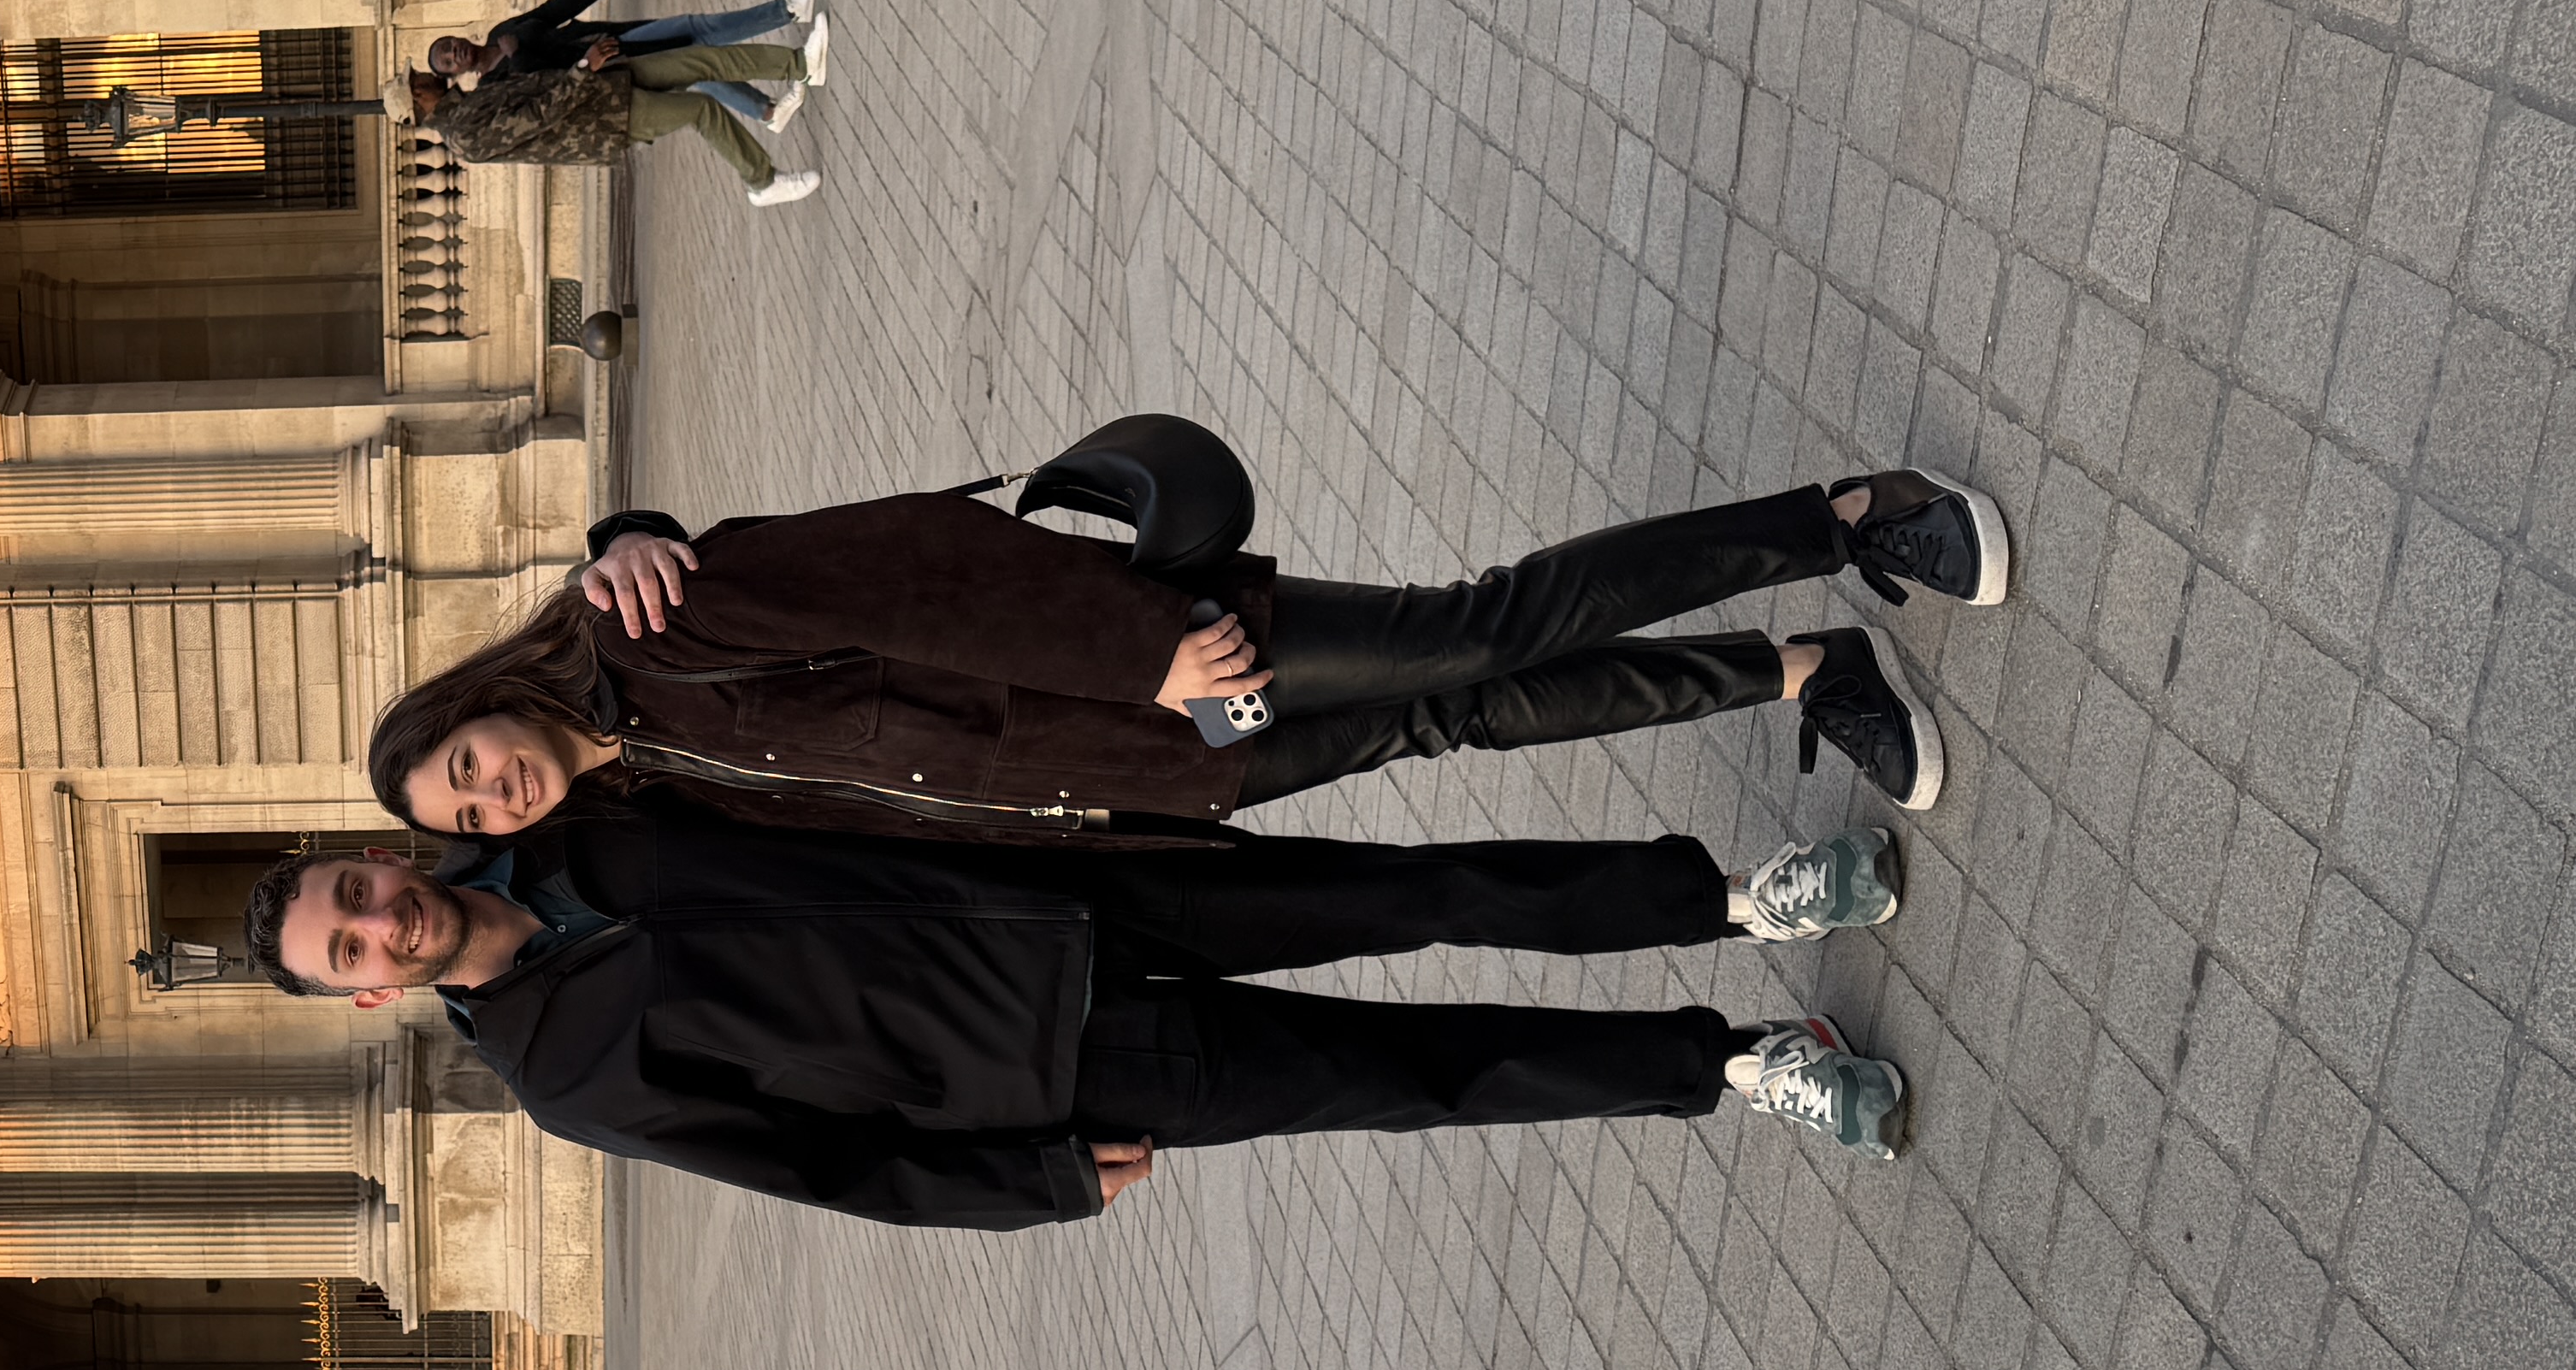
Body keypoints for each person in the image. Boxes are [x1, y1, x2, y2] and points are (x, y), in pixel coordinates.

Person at [242, 790, 1921, 1231]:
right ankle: (1741, 1063)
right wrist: (1029, 1182)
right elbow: (809, 1163)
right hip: (1056, 1060)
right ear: (370, 994)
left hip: (1079, 892)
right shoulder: (560, 1069)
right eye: (348, 949)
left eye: (353, 891)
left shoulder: (569, 820)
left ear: (379, 856)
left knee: (1422, 890)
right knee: (1419, 1072)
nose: (378, 922)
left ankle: (1730, 898)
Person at [365, 467, 2008, 837]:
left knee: (1475, 625)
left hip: (1153, 669)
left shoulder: (645, 619)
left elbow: (920, 570)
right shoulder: (651, 785)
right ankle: (1798, 670)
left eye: (458, 765)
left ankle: (1846, 514)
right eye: (467, 819)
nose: (488, 792)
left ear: (469, 708)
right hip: (1137, 775)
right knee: (1464, 727)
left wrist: (1145, 645)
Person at [417, 41, 824, 210]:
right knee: (702, 109)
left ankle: (800, 65)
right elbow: (537, 118)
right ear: (419, 98)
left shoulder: (466, 104)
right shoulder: (464, 137)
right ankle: (762, 182)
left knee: (701, 61)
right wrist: (582, 69)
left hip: (604, 85)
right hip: (605, 121)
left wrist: (587, 68)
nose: (425, 76)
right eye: (418, 80)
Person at [428, 0, 824, 89]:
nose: (453, 53)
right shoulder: (494, 85)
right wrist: (519, 57)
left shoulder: (500, 32)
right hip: (611, 66)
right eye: (448, 61)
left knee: (696, 54)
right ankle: (787, 10)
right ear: (453, 76)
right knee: (696, 42)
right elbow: (546, 87)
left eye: (448, 45)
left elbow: (549, 13)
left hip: (607, 39)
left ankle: (767, 106)